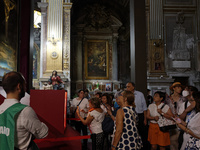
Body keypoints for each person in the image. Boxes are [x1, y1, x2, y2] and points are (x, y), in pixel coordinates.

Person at [0, 71, 48, 150]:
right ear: (19, 87)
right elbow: (43, 133)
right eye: (24, 84)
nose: (25, 88)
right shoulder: (25, 111)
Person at [126, 82, 148, 150]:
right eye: (126, 87)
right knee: (132, 133)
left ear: (133, 87)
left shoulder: (140, 94)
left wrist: (145, 119)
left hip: (140, 115)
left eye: (129, 86)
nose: (127, 88)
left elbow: (144, 107)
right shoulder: (125, 95)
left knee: (142, 133)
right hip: (130, 115)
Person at [165, 82, 186, 150]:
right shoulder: (168, 99)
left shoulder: (183, 99)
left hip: (181, 119)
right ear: (173, 88)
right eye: (178, 87)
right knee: (172, 140)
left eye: (180, 87)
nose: (180, 89)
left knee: (180, 139)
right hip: (170, 120)